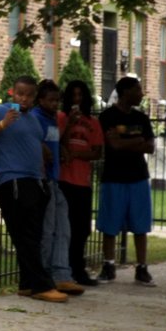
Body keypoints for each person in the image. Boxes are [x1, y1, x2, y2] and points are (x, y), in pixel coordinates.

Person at [0, 76, 67, 303]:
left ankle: (26, 284)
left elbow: (31, 140)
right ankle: (41, 285)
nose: (24, 99)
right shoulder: (1, 111)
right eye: (20, 94)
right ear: (12, 92)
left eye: (29, 95)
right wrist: (3, 124)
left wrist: (44, 151)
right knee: (26, 236)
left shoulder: (32, 120)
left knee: (31, 234)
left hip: (36, 181)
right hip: (13, 182)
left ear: (34, 97)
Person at [96, 77, 155, 286]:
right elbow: (113, 146)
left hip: (138, 177)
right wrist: (136, 141)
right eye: (138, 90)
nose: (141, 94)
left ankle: (141, 268)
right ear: (125, 92)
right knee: (110, 224)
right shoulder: (107, 116)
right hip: (114, 177)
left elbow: (150, 146)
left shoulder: (142, 118)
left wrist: (125, 142)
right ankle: (108, 266)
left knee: (140, 225)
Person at [32, 80, 84, 296]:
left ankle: (62, 273)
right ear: (41, 99)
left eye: (57, 100)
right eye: (51, 100)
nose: (55, 104)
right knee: (48, 229)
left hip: (55, 178)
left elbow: (56, 140)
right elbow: (32, 141)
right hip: (43, 179)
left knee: (64, 227)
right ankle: (44, 274)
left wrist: (68, 128)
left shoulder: (51, 118)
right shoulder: (35, 118)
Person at [58, 80, 103, 286]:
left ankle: (79, 269)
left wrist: (78, 153)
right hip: (64, 180)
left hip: (82, 182)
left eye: (80, 95)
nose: (77, 100)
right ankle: (64, 269)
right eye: (73, 95)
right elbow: (59, 143)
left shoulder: (93, 122)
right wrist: (69, 123)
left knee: (82, 228)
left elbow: (97, 152)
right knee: (64, 227)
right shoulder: (61, 118)